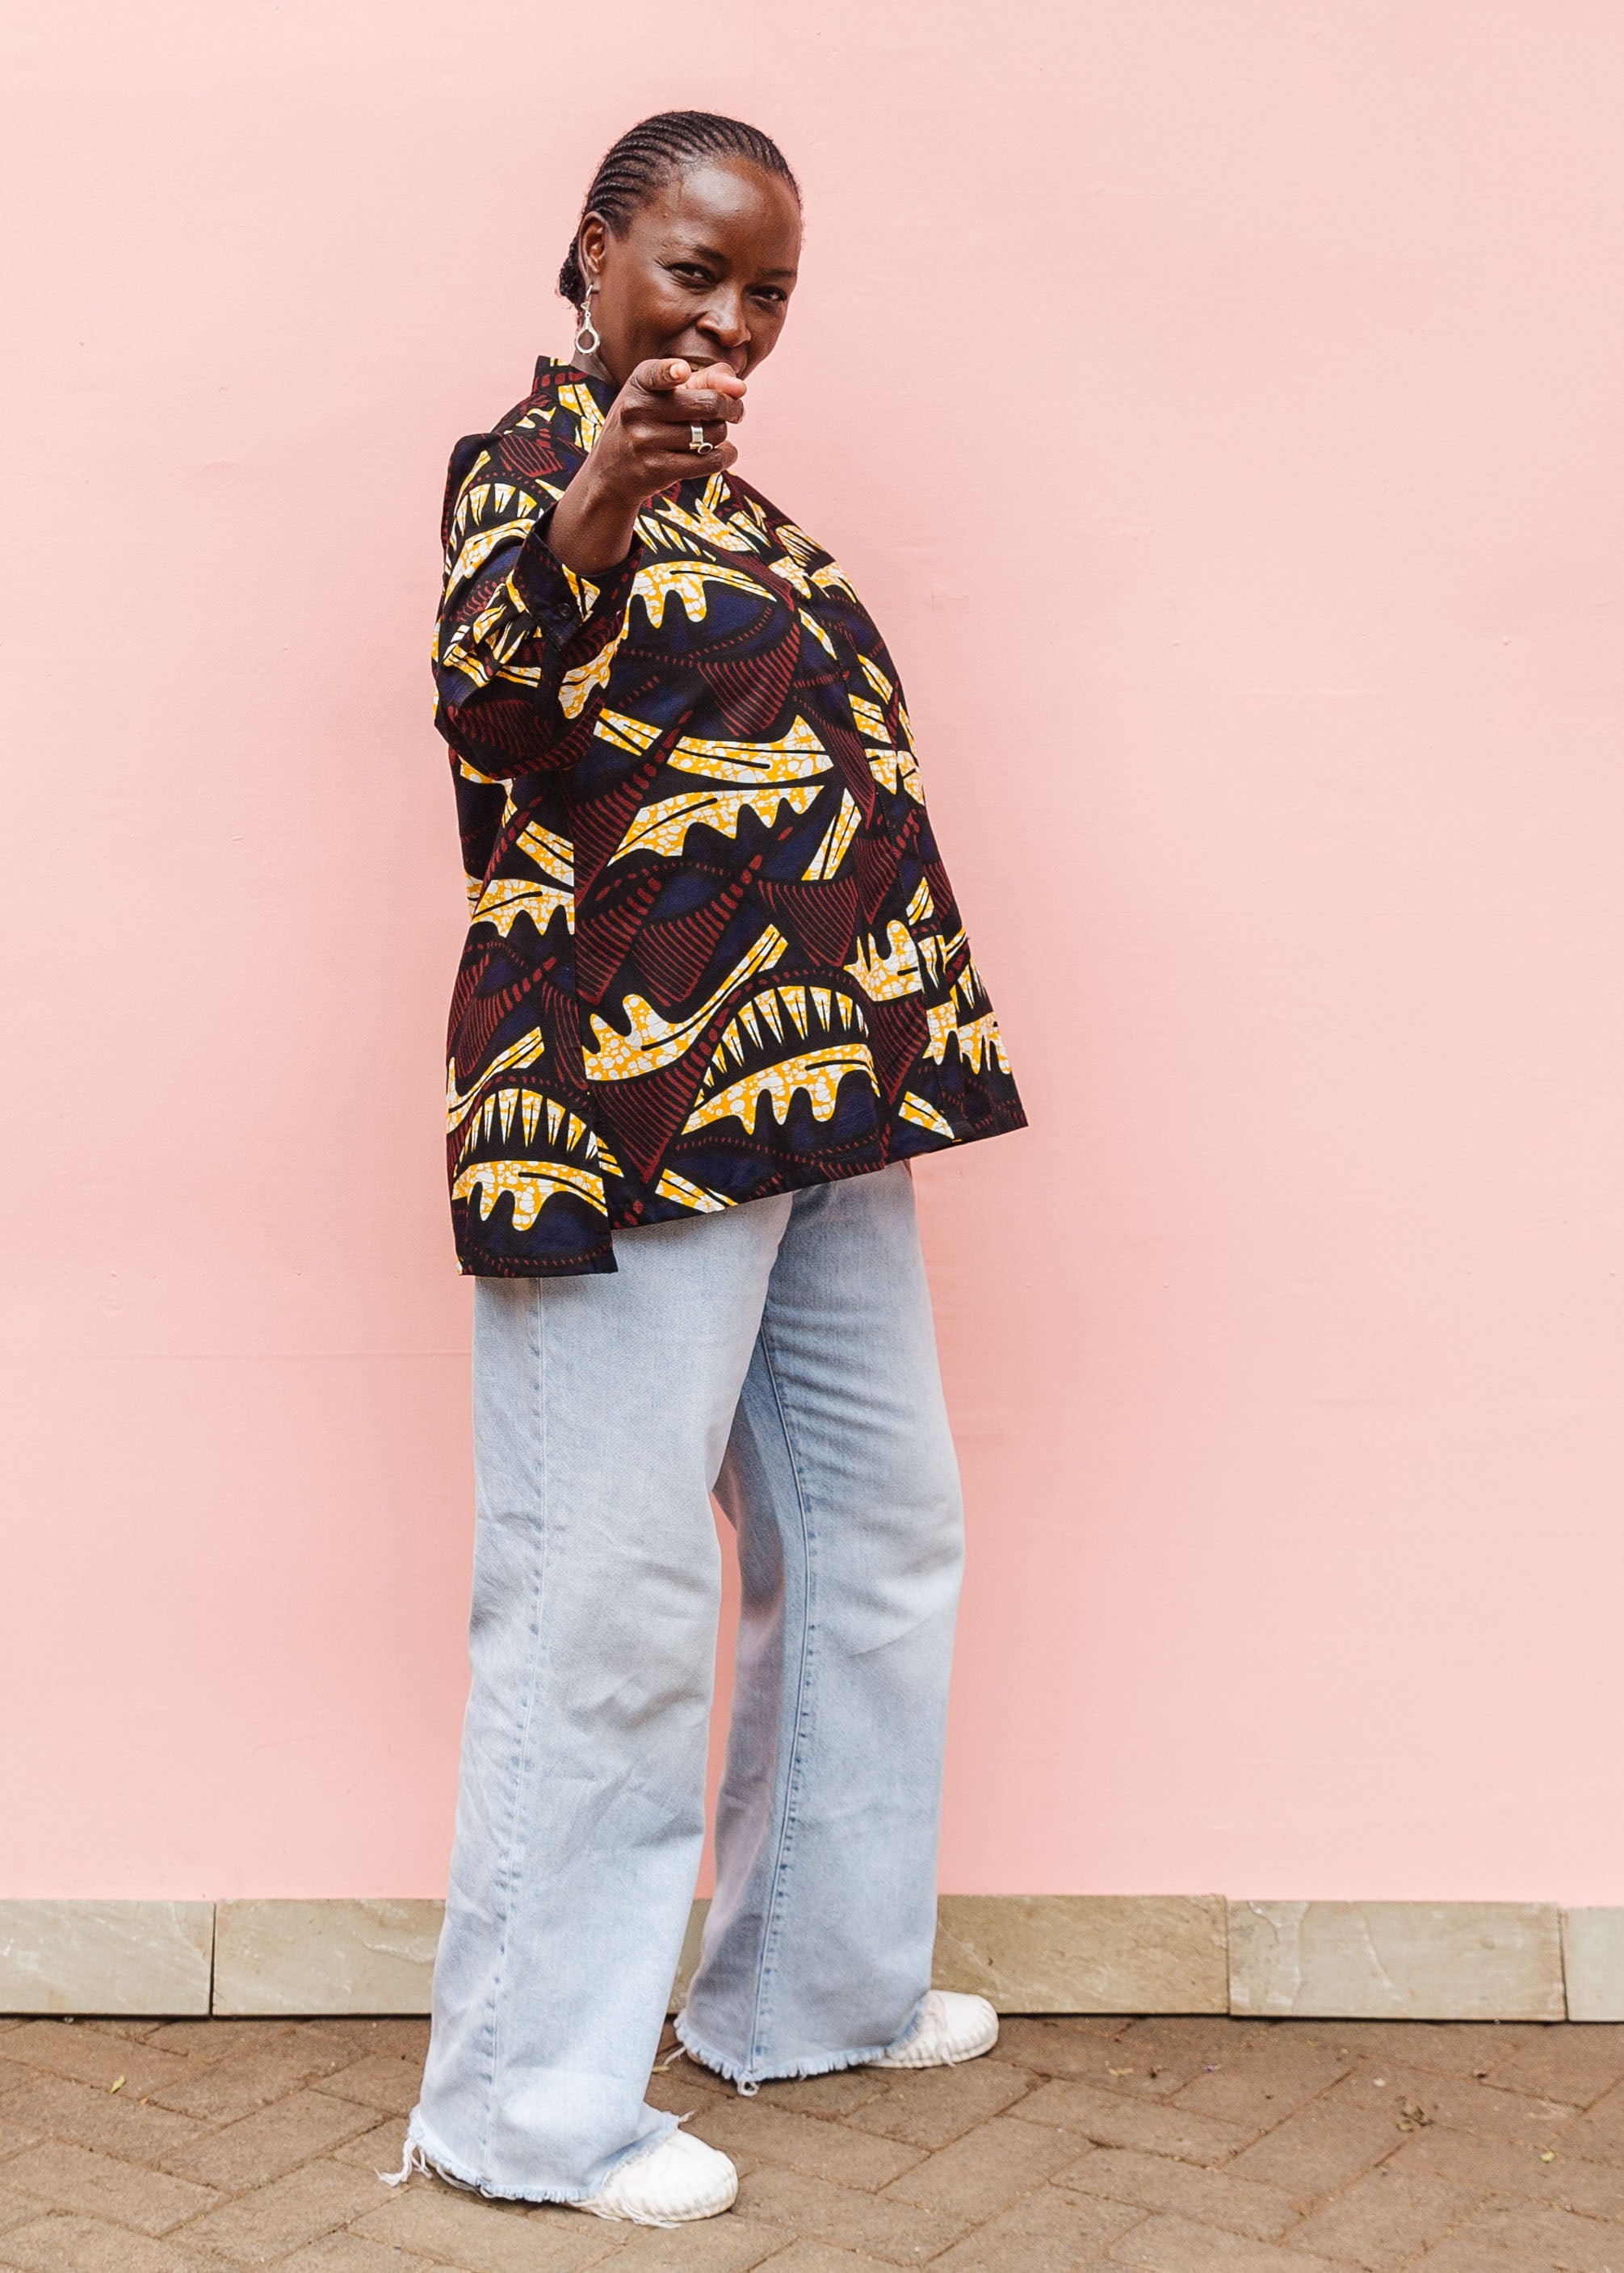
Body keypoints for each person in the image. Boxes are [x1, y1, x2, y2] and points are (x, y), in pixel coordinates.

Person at [397, 109, 1027, 2227]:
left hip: (829, 1112)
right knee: (608, 1601)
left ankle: (808, 1990)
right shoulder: (530, 478)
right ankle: (522, 2109)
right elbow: (485, 709)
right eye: (692, 271)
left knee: (871, 1542)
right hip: (632, 1115)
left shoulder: (738, 513)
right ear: (593, 253)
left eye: (763, 293)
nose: (729, 323)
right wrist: (580, 520)